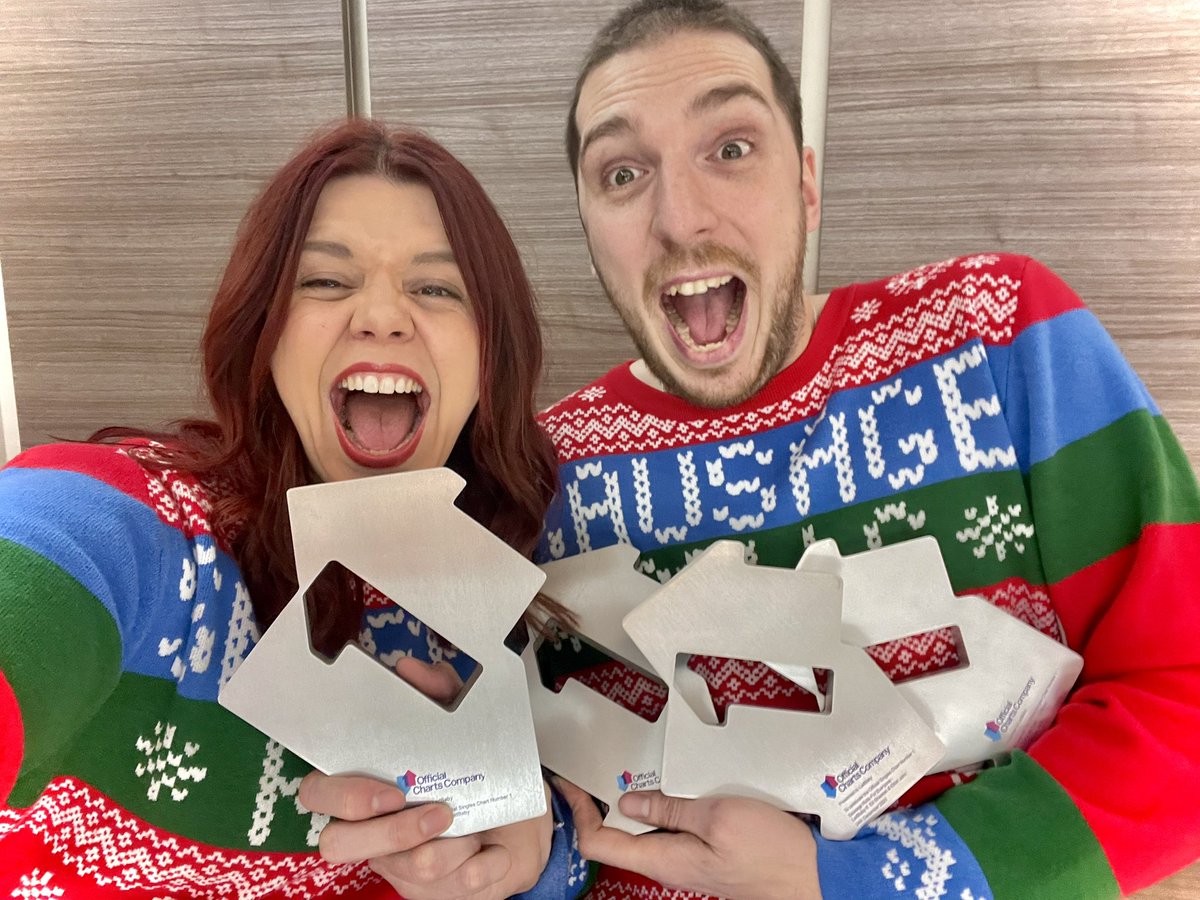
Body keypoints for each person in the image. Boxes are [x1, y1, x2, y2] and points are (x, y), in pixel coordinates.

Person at [531, 1, 1200, 898]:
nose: (680, 218)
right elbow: (557, 819)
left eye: (731, 149)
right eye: (622, 173)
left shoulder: (1002, 336)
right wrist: (524, 859)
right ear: (588, 230)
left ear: (806, 185)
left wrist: (853, 880)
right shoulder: (549, 474)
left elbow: (1183, 698)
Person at [0, 119, 590, 899]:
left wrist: (528, 862)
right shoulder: (138, 527)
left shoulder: (527, 563)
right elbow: (41, 557)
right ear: (266, 333)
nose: (382, 316)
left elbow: (577, 855)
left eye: (437, 288)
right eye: (326, 282)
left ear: (491, 354)